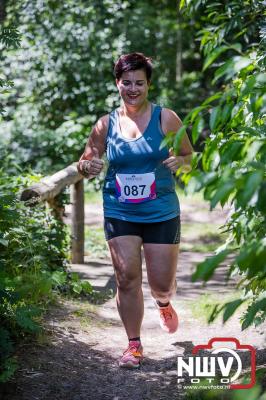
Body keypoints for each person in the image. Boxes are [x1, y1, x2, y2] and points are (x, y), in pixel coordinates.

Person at [77, 52, 193, 369]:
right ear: (118, 84)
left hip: (161, 211)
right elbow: (86, 160)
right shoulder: (105, 124)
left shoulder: (166, 118)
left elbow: (189, 156)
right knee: (127, 278)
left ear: (148, 85)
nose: (132, 89)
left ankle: (164, 302)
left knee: (160, 283)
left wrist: (179, 162)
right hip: (120, 210)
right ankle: (134, 345)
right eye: (126, 82)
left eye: (139, 83)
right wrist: (89, 165)